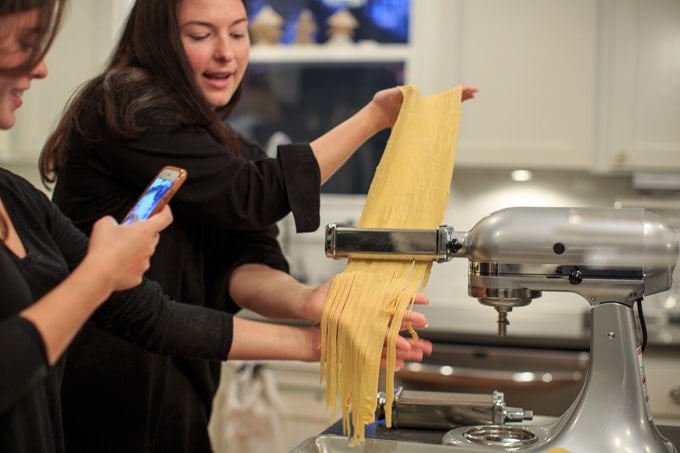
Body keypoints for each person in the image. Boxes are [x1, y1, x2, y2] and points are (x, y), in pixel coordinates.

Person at [0, 1, 435, 452]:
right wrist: (375, 117)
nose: (227, 53)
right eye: (201, 35)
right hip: (103, 396)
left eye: (238, 33)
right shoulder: (123, 105)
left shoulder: (228, 148)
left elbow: (244, 266)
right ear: (160, 42)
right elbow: (253, 195)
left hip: (182, 387)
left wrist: (308, 302)